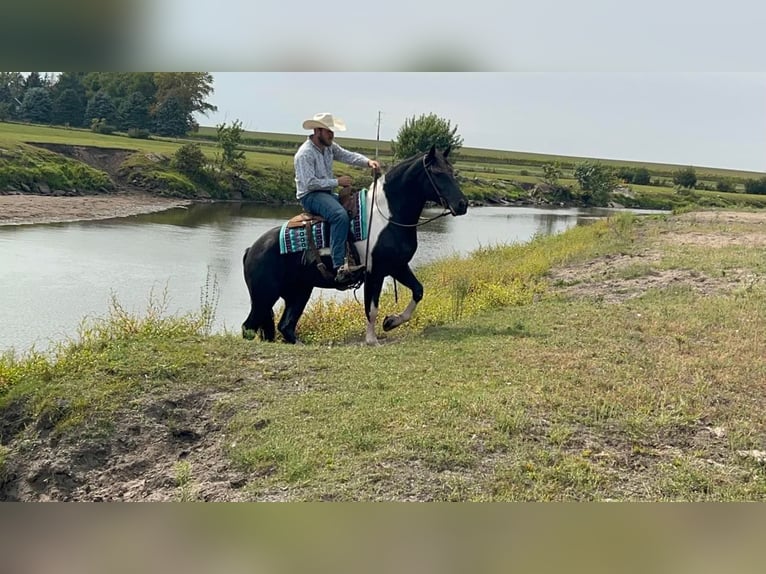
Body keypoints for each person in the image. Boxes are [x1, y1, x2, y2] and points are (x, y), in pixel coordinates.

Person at [294, 112, 381, 284]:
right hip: (310, 196)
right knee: (339, 216)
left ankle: (354, 256)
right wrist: (337, 181)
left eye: (332, 131)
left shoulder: (328, 147)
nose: (332, 135)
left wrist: (368, 162)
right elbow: (309, 183)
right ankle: (339, 266)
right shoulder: (304, 154)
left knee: (354, 207)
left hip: (325, 193)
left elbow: (347, 155)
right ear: (318, 131)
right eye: (328, 131)